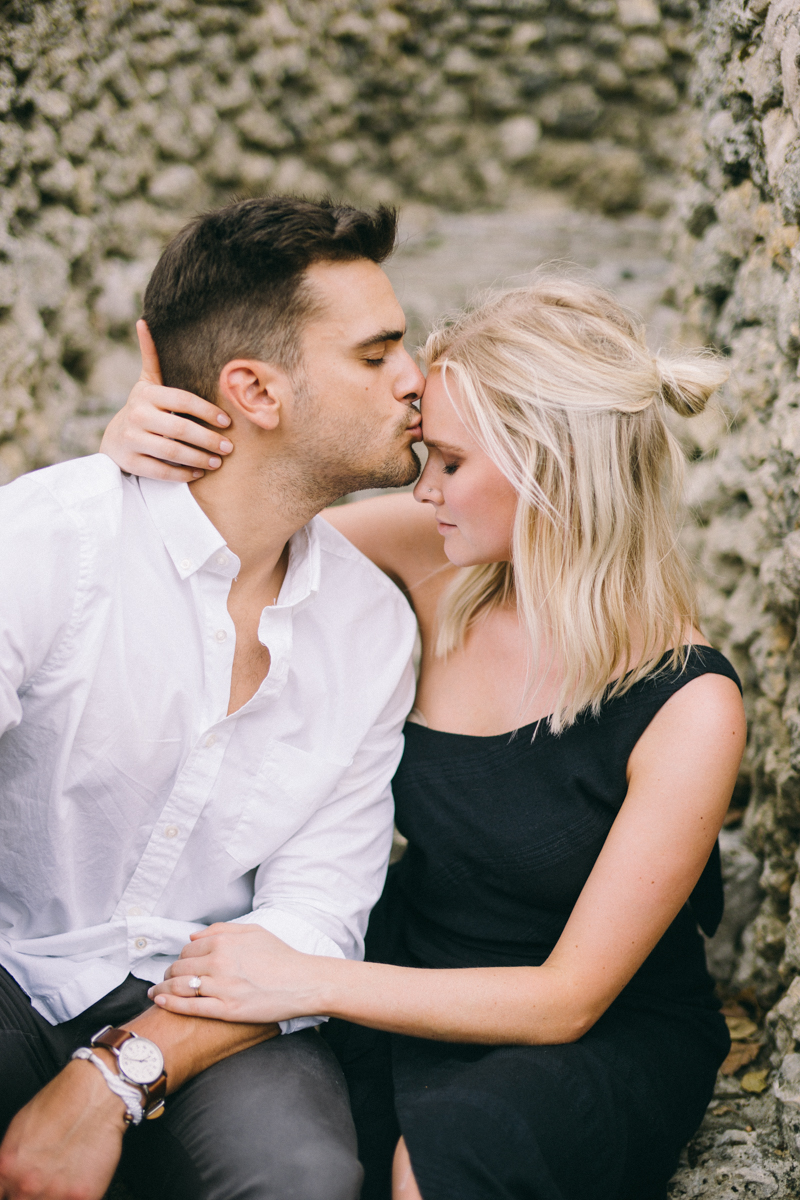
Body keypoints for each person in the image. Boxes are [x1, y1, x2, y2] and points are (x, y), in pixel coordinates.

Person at [102, 275, 746, 1200]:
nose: (423, 484)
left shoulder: (687, 704)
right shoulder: (435, 555)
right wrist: (136, 455)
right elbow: (232, 529)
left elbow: (567, 999)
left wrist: (310, 979)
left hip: (584, 1027)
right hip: (406, 962)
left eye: (447, 461)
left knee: (442, 1166)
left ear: (547, 466)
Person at [0, 195, 429, 1200]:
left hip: (220, 1003)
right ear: (253, 390)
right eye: (377, 355)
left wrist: (120, 1070)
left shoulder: (370, 625)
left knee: (304, 1179)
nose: (417, 381)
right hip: (14, 963)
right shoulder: (48, 542)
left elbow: (315, 909)